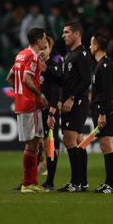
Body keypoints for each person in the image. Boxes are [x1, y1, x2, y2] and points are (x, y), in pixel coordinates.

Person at [6, 28, 49, 193]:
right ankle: (27, 183)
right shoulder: (31, 56)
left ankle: (32, 182)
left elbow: (10, 77)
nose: (46, 41)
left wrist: (19, 94)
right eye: (44, 38)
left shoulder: (21, 55)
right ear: (38, 41)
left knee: (34, 144)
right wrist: (41, 95)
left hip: (22, 104)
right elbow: (26, 79)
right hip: (31, 104)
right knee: (32, 145)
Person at [58, 21, 92, 192]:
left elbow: (87, 80)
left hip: (77, 103)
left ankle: (75, 182)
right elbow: (66, 80)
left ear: (77, 34)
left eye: (67, 32)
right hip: (70, 102)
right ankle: (82, 182)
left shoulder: (83, 54)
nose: (63, 35)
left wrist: (72, 98)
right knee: (78, 141)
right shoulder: (69, 54)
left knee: (69, 139)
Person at [89, 33, 113, 193]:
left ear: (97, 46)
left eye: (91, 43)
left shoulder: (104, 65)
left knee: (107, 145)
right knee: (104, 145)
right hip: (101, 109)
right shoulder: (101, 64)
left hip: (104, 110)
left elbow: (106, 92)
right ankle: (108, 183)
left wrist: (102, 113)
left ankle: (110, 185)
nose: (89, 46)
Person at [39, 34, 63, 190]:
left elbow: (56, 90)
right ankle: (29, 180)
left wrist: (52, 112)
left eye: (45, 48)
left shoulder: (53, 66)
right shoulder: (36, 64)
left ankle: (50, 181)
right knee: (38, 145)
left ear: (51, 48)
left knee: (50, 145)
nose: (42, 51)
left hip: (49, 111)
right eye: (41, 47)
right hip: (38, 110)